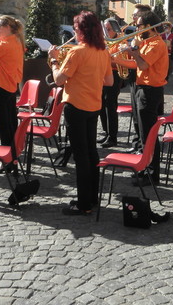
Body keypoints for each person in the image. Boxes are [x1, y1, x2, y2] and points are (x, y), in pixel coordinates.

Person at [49, 11, 113, 216]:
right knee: (91, 152)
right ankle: (91, 198)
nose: (74, 32)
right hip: (93, 106)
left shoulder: (76, 52)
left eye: (76, 29)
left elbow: (58, 80)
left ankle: (84, 203)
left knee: (81, 155)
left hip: (76, 106)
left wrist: (53, 61)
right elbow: (109, 82)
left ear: (83, 30)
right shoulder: (103, 52)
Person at [112, 11, 168, 185]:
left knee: (149, 134)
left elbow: (142, 63)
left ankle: (152, 173)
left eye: (139, 26)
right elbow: (137, 66)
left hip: (150, 91)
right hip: (142, 88)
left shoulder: (156, 44)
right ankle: (145, 168)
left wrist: (132, 50)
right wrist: (114, 59)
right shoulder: (146, 42)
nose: (136, 28)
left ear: (149, 27)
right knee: (143, 133)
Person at [0, 15, 25, 173]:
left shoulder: (4, 45)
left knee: (3, 126)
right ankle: (13, 157)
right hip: (10, 86)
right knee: (10, 124)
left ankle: (6, 160)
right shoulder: (16, 41)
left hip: (1, 86)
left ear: (8, 28)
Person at [125, 4, 152, 153]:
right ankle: (137, 142)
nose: (133, 19)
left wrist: (134, 49)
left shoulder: (148, 37)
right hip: (134, 76)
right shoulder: (137, 33)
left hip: (143, 77)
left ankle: (142, 145)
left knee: (141, 115)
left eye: (136, 16)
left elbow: (143, 59)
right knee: (135, 112)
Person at [99, 19, 122, 148]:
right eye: (105, 29)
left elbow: (119, 61)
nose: (106, 32)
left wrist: (105, 57)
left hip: (114, 74)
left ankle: (112, 136)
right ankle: (106, 133)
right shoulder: (105, 42)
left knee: (110, 105)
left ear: (115, 29)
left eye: (108, 29)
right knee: (102, 104)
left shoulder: (120, 42)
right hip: (103, 73)